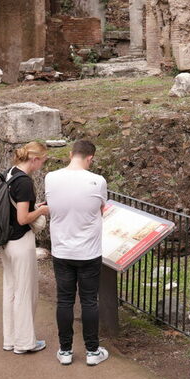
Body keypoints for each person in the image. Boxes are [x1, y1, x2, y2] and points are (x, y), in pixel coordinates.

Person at [45, 139, 109, 366]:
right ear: (90, 158)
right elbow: (102, 209)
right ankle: (92, 351)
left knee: (64, 301)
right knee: (90, 300)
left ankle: (65, 350)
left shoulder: (50, 178)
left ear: (71, 154)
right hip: (89, 251)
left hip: (62, 250)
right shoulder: (97, 181)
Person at [2, 141, 50, 354]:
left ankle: (11, 339)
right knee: (25, 292)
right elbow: (23, 218)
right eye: (43, 160)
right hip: (21, 241)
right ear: (34, 159)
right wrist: (41, 211)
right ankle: (24, 343)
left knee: (11, 290)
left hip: (7, 240)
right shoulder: (25, 183)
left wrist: (33, 206)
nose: (42, 164)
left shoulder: (10, 173)